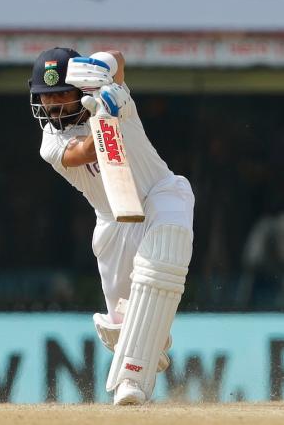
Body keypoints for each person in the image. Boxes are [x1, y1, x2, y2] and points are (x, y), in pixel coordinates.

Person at [28, 47, 194, 405]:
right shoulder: (50, 142)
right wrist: (107, 119)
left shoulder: (116, 97)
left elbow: (118, 57)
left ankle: (130, 382)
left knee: (162, 260)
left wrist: (105, 73)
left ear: (80, 90)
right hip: (114, 222)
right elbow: (85, 152)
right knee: (122, 326)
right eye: (46, 96)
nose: (54, 104)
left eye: (61, 93)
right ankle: (149, 343)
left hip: (160, 193)